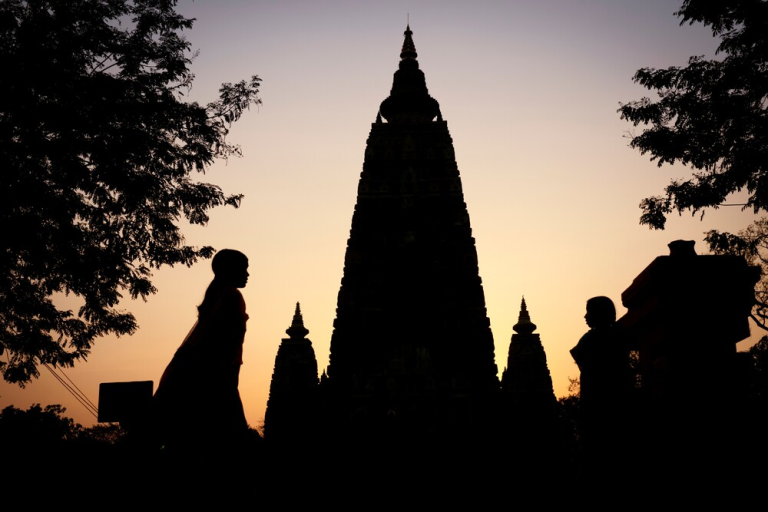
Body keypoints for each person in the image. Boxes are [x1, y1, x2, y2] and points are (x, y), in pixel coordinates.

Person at [151, 249, 250, 456]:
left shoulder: (219, 297)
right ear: (230, 270)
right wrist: (230, 386)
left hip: (194, 376)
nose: (248, 274)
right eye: (244, 268)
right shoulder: (232, 296)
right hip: (214, 378)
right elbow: (226, 347)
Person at [570, 296, 633, 483]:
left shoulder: (592, 340)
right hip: (617, 406)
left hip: (599, 407)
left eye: (589, 312)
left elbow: (585, 362)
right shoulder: (619, 336)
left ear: (599, 314)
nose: (585, 316)